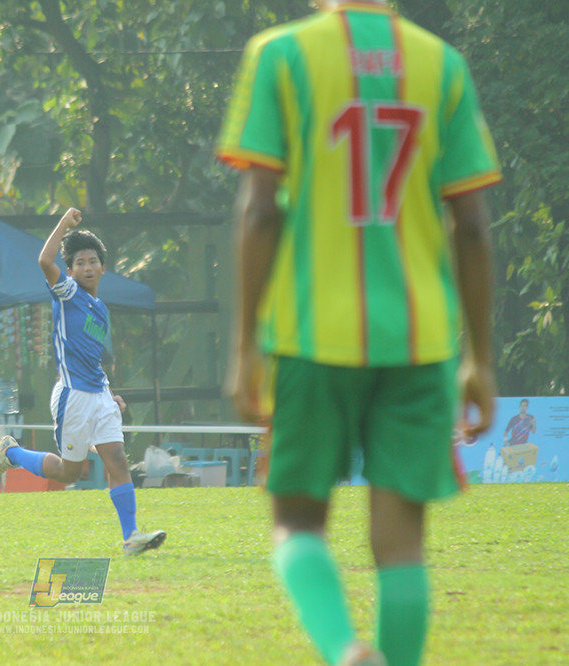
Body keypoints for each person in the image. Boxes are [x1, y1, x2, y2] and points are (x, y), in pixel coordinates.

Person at [216, 1, 500, 665]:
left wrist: (244, 345)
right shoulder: (442, 64)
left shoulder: (280, 54)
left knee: (295, 524)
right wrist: (480, 358)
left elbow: (259, 213)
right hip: (419, 340)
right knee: (401, 546)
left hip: (309, 335)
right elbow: (475, 225)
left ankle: (345, 649)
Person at [0, 207, 166, 556]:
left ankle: (130, 539)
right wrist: (64, 224)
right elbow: (43, 260)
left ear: (103, 267)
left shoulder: (101, 309)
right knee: (70, 474)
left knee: (118, 461)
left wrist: (110, 392)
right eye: (79, 262)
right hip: (72, 397)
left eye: (92, 261)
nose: (87, 267)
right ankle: (13, 452)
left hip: (98, 395)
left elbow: (92, 356)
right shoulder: (68, 293)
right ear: (70, 271)